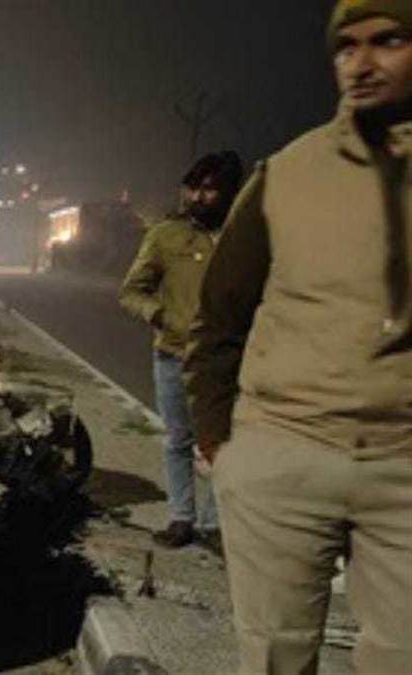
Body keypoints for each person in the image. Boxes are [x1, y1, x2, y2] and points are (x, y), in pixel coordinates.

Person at [185, 1, 412, 672]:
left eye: (389, 41)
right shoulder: (285, 175)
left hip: (403, 464)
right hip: (282, 453)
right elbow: (219, 316)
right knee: (275, 659)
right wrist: (221, 445)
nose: (361, 64)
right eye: (347, 47)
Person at [118, 150, 243, 551]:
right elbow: (131, 291)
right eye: (193, 187)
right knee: (177, 440)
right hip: (174, 354)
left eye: (210, 189)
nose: (198, 197)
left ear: (228, 192)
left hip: (228, 360)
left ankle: (213, 524)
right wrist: (161, 315)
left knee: (225, 445)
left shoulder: (245, 236)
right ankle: (182, 518)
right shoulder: (165, 235)